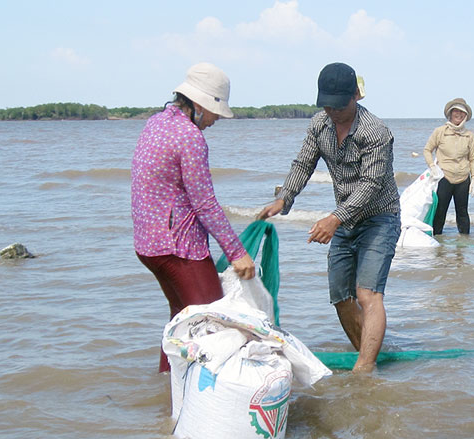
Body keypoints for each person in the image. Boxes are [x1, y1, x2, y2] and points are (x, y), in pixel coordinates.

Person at [257, 62, 400, 373]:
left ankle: (364, 369)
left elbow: (371, 187)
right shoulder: (319, 125)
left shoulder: (375, 132)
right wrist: (285, 198)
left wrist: (334, 218)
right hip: (345, 220)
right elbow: (303, 163)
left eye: (339, 105)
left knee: (367, 293)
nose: (333, 112)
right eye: (327, 105)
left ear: (356, 96)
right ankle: (371, 358)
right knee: (341, 297)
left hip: (380, 217)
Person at [131, 62, 255, 373]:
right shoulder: (190, 137)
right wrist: (237, 253)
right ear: (199, 104)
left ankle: (168, 390)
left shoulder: (156, 123)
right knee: (213, 321)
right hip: (177, 248)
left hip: (148, 245)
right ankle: (204, 403)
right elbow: (205, 204)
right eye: (215, 111)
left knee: (180, 319)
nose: (216, 120)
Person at [422, 98, 474, 235]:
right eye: (456, 111)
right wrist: (432, 166)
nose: (458, 114)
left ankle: (464, 245)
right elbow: (427, 150)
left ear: (466, 116)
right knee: (440, 212)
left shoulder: (469, 136)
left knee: (463, 213)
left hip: (463, 179)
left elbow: (473, 159)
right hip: (444, 177)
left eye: (462, 112)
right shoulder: (440, 131)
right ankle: (436, 242)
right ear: (450, 113)